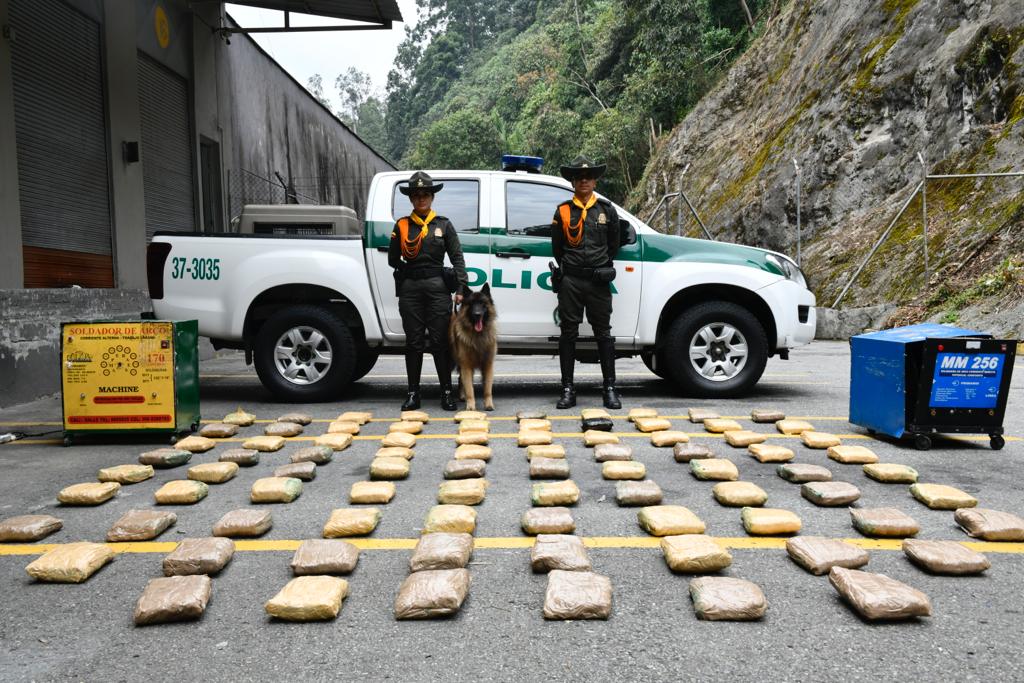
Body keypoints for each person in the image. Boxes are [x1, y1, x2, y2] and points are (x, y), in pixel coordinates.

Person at [389, 171, 468, 411]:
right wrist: (408, 273)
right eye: (416, 195)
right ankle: (413, 393)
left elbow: (457, 258)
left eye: (425, 194)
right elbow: (394, 258)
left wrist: (461, 288)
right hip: (411, 289)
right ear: (411, 199)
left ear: (432, 197)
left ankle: (446, 392)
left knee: (439, 342)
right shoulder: (402, 225)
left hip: (437, 288)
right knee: (413, 343)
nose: (421, 199)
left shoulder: (443, 225)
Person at [550, 155, 622, 410]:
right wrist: (573, 269)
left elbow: (613, 245)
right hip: (571, 280)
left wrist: (597, 267)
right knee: (568, 333)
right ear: (572, 181)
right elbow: (557, 248)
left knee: (603, 333)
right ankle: (567, 389)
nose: (584, 181)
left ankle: (610, 389)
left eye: (588, 177)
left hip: (598, 281)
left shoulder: (607, 210)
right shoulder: (562, 211)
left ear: (594, 181)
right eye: (579, 177)